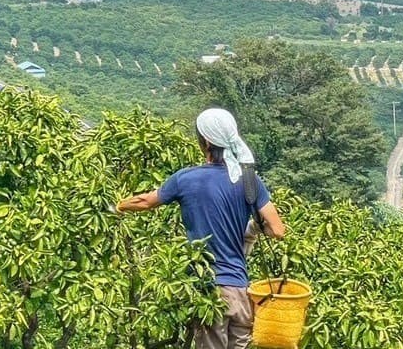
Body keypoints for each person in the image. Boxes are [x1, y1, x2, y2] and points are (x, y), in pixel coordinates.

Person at [115, 108, 285, 349]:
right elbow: (277, 229)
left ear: (205, 141)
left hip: (210, 291)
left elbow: (145, 202)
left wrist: (117, 207)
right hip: (240, 291)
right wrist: (253, 229)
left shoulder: (186, 179)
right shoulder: (248, 180)